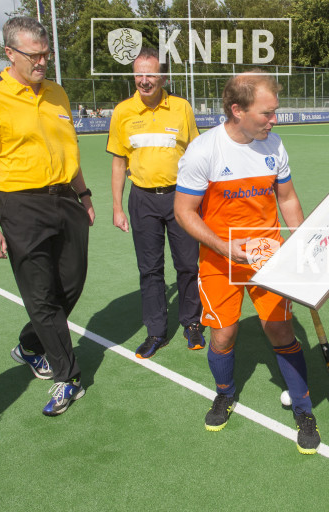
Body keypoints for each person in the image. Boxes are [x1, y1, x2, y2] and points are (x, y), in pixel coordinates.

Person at [173, 72, 321, 455]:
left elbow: (287, 199)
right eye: (267, 113)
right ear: (237, 110)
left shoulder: (274, 145)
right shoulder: (204, 151)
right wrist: (224, 247)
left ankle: (303, 409)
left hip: (268, 259)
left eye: (275, 112)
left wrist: (304, 244)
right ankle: (225, 393)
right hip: (219, 260)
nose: (274, 120)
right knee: (223, 336)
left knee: (281, 331)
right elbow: (184, 212)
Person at [0, 16, 95, 415]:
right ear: (9, 53)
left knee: (70, 285)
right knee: (40, 294)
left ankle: (30, 343)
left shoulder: (57, 93)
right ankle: (67, 378)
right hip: (20, 205)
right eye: (33, 55)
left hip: (66, 200)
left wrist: (84, 194)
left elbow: (70, 150)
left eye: (45, 54)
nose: (42, 62)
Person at [107, 47, 205, 359]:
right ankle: (156, 332)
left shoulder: (181, 108)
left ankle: (191, 323)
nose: (144, 80)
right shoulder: (123, 111)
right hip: (142, 199)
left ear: (163, 77)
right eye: (139, 74)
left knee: (187, 264)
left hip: (181, 198)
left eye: (150, 74)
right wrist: (117, 207)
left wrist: (202, 199)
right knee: (150, 269)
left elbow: (197, 154)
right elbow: (118, 163)